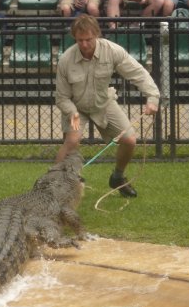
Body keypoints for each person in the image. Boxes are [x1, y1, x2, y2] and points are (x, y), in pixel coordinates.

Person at [55, 14, 160, 198]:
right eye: (80, 40)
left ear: (97, 34)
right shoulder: (65, 59)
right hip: (76, 107)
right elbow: (62, 97)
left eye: (88, 39)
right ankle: (54, 186)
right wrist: (71, 112)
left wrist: (152, 97)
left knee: (129, 140)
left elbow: (138, 73)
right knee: (72, 141)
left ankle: (118, 177)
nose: (85, 45)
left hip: (104, 103)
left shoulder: (112, 51)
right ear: (74, 38)